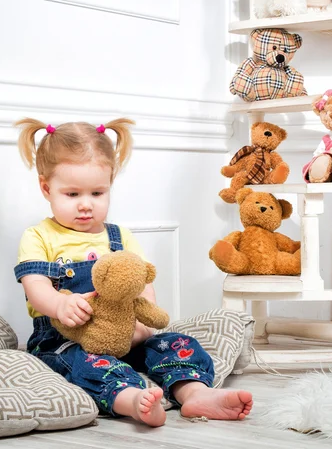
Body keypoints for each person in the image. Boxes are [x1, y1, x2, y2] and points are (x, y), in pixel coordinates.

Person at [13, 118, 253, 427]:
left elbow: (141, 286)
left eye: (97, 194)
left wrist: (141, 325)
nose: (86, 205)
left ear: (110, 183)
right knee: (85, 364)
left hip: (124, 333)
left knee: (176, 344)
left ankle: (193, 393)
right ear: (46, 188)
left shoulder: (119, 237)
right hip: (65, 338)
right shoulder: (39, 236)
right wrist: (60, 305)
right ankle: (130, 399)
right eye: (72, 195)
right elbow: (35, 287)